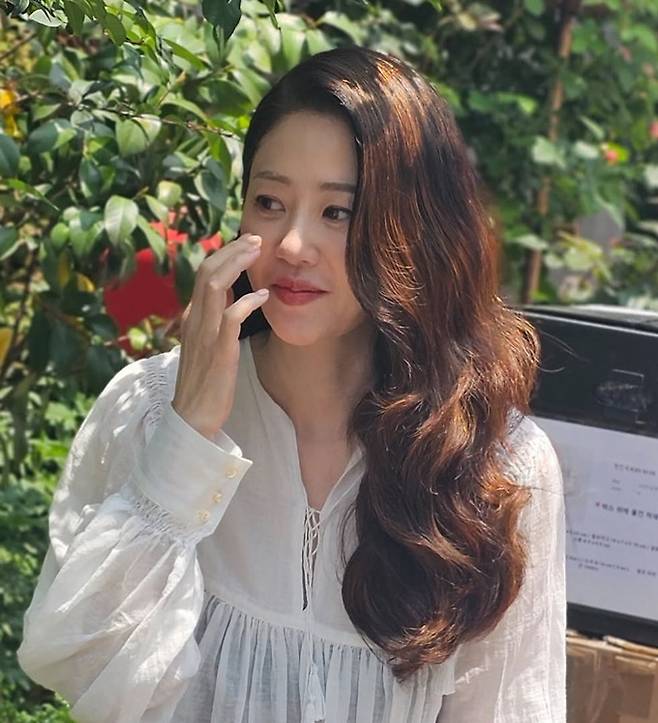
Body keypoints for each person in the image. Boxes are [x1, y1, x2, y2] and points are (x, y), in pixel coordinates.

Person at [17, 45, 566, 722]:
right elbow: (83, 670)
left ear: (416, 229)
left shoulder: (492, 463)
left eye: (338, 211)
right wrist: (187, 443)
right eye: (270, 202)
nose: (293, 246)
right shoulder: (148, 409)